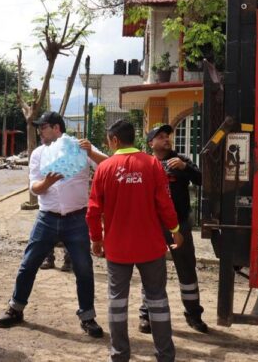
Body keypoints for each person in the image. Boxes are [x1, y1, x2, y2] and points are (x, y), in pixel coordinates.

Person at [0, 111, 106, 338]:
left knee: (84, 269)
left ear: (56, 128)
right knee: (28, 264)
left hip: (77, 218)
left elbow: (108, 167)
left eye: (43, 127)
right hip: (47, 217)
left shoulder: (80, 147)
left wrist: (91, 152)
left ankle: (88, 317)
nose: (40, 131)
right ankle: (15, 309)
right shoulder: (38, 153)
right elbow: (33, 188)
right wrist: (47, 182)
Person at [87, 119, 182, 362]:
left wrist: (96, 239)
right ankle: (165, 355)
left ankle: (119, 355)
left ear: (115, 140)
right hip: (150, 247)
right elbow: (164, 203)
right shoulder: (152, 164)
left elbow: (93, 210)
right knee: (157, 300)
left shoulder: (105, 168)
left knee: (117, 303)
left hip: (117, 249)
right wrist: (175, 229)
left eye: (109, 141)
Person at [138, 125, 208, 334]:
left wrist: (186, 168)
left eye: (167, 136)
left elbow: (203, 180)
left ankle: (193, 315)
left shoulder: (180, 161)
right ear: (151, 143)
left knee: (186, 270)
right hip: (152, 227)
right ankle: (146, 315)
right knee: (151, 272)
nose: (166, 139)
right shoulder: (145, 163)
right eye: (160, 137)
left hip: (180, 226)